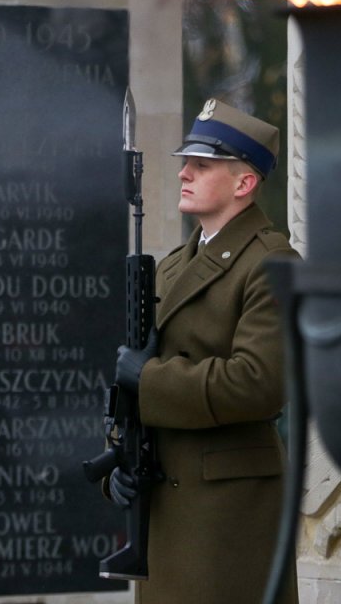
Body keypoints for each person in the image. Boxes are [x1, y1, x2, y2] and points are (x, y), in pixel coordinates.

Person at [109, 98, 300, 604]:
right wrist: (120, 458)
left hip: (227, 511)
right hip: (167, 502)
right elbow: (138, 375)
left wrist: (149, 380)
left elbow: (258, 383)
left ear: (244, 183)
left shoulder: (272, 263)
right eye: (185, 163)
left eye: (202, 165)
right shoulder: (174, 265)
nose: (184, 174)